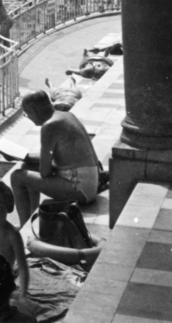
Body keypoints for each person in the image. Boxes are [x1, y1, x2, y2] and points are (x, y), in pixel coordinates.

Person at [7, 89, 106, 227]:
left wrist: (26, 158)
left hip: (80, 188)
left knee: (17, 177)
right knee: (26, 167)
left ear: (34, 111)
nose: (28, 117)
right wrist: (24, 158)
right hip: (88, 180)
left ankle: (24, 226)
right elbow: (58, 159)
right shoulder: (67, 115)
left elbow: (45, 172)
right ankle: (32, 218)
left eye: (27, 113)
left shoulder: (49, 126)